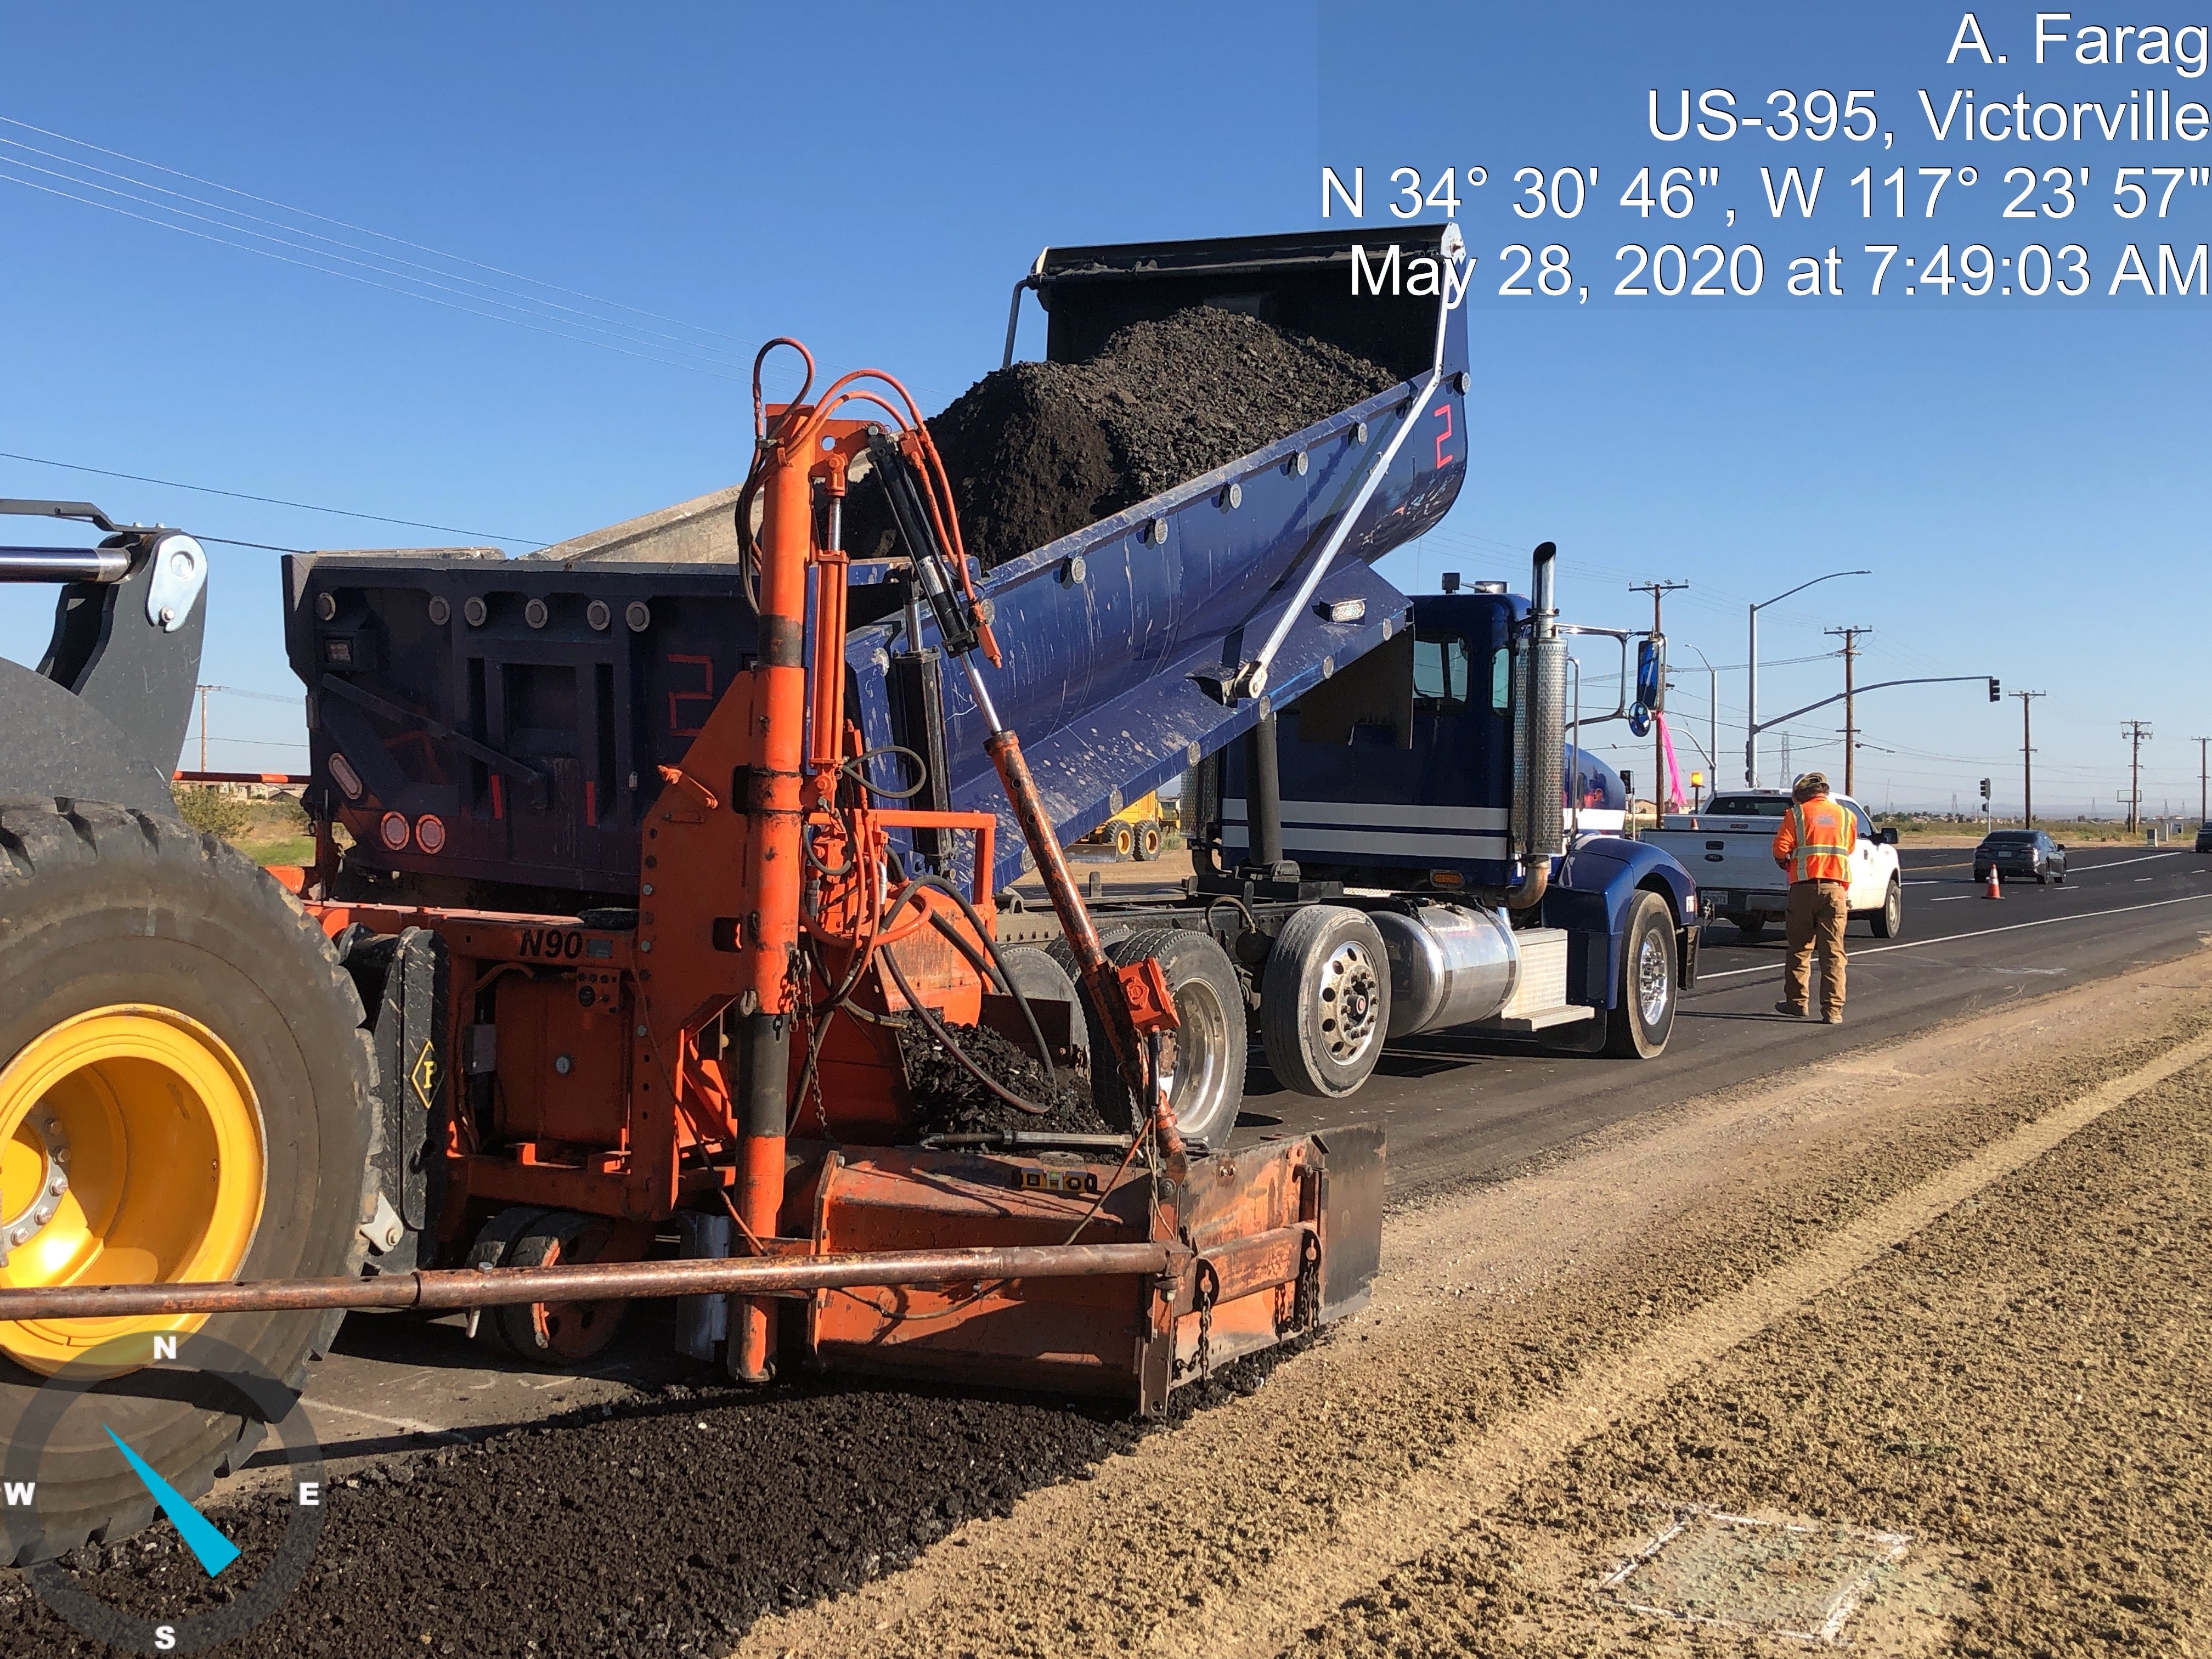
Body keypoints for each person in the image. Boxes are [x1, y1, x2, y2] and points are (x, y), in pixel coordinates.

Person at [1770, 771, 1853, 1023]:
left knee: (1799, 949)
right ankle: (1833, 1011)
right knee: (1834, 954)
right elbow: (1848, 848)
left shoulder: (1796, 814)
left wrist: (1788, 862)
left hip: (1804, 890)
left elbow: (1780, 850)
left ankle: (1797, 1003)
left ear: (1801, 795)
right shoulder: (1846, 816)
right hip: (1836, 890)